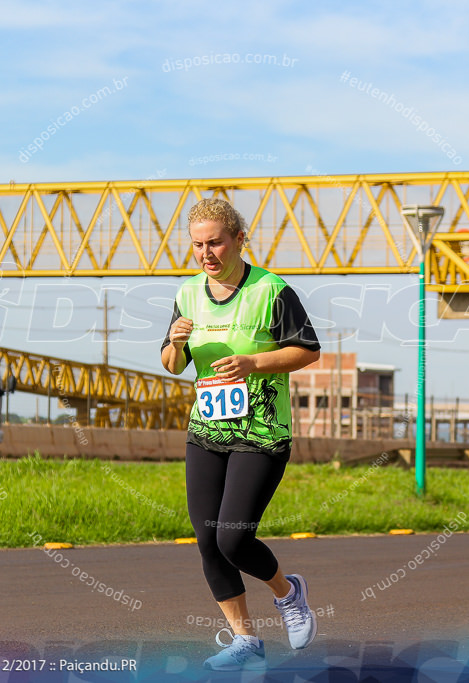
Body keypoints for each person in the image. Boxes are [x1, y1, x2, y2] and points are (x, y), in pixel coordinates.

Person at [161, 198, 322, 671]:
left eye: (214, 242)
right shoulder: (188, 294)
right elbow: (173, 366)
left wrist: (254, 363)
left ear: (237, 240)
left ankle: (288, 593)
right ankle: (244, 639)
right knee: (207, 540)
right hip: (205, 431)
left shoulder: (271, 290)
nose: (206, 253)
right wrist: (174, 341)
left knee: (233, 538)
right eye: (197, 244)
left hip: (262, 432)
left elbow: (308, 350)